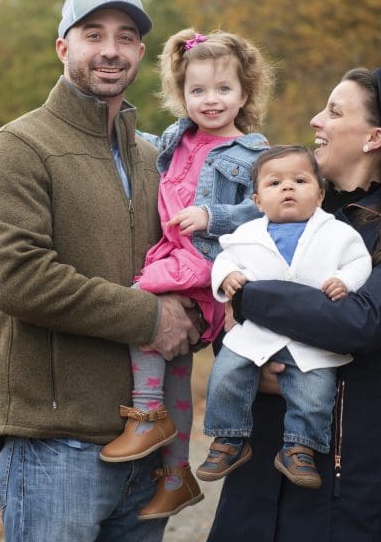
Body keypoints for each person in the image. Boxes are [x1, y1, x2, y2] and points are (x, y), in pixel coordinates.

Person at [0, 0, 202, 542]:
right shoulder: (17, 149)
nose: (110, 50)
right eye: (92, 33)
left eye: (125, 38)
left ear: (140, 54)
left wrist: (199, 315)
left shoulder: (155, 157)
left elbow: (188, 258)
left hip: (147, 443)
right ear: (63, 46)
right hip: (56, 445)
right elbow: (21, 280)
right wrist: (151, 318)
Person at [207, 68, 381, 542]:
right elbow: (230, 329)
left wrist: (249, 295)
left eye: (335, 112)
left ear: (374, 137)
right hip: (259, 456)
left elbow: (358, 322)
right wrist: (243, 354)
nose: (316, 120)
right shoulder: (290, 210)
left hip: (344, 463)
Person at [98, 28, 272, 520]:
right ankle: (176, 477)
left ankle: (147, 413)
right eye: (197, 91)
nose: (210, 101)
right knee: (177, 365)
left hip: (207, 266)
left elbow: (267, 210)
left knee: (141, 308)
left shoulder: (254, 154)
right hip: (172, 256)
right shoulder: (177, 137)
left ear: (244, 93)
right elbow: (143, 148)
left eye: (223, 89)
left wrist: (213, 216)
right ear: (182, 95)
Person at [195, 144, 371, 490]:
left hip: (313, 335)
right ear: (258, 201)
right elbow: (225, 260)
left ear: (320, 194)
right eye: (274, 183)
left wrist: (344, 281)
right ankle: (229, 439)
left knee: (316, 390)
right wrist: (226, 278)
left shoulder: (338, 233)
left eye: (300, 180)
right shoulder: (247, 234)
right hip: (258, 332)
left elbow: (359, 262)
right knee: (228, 372)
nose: (287, 187)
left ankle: (299, 448)